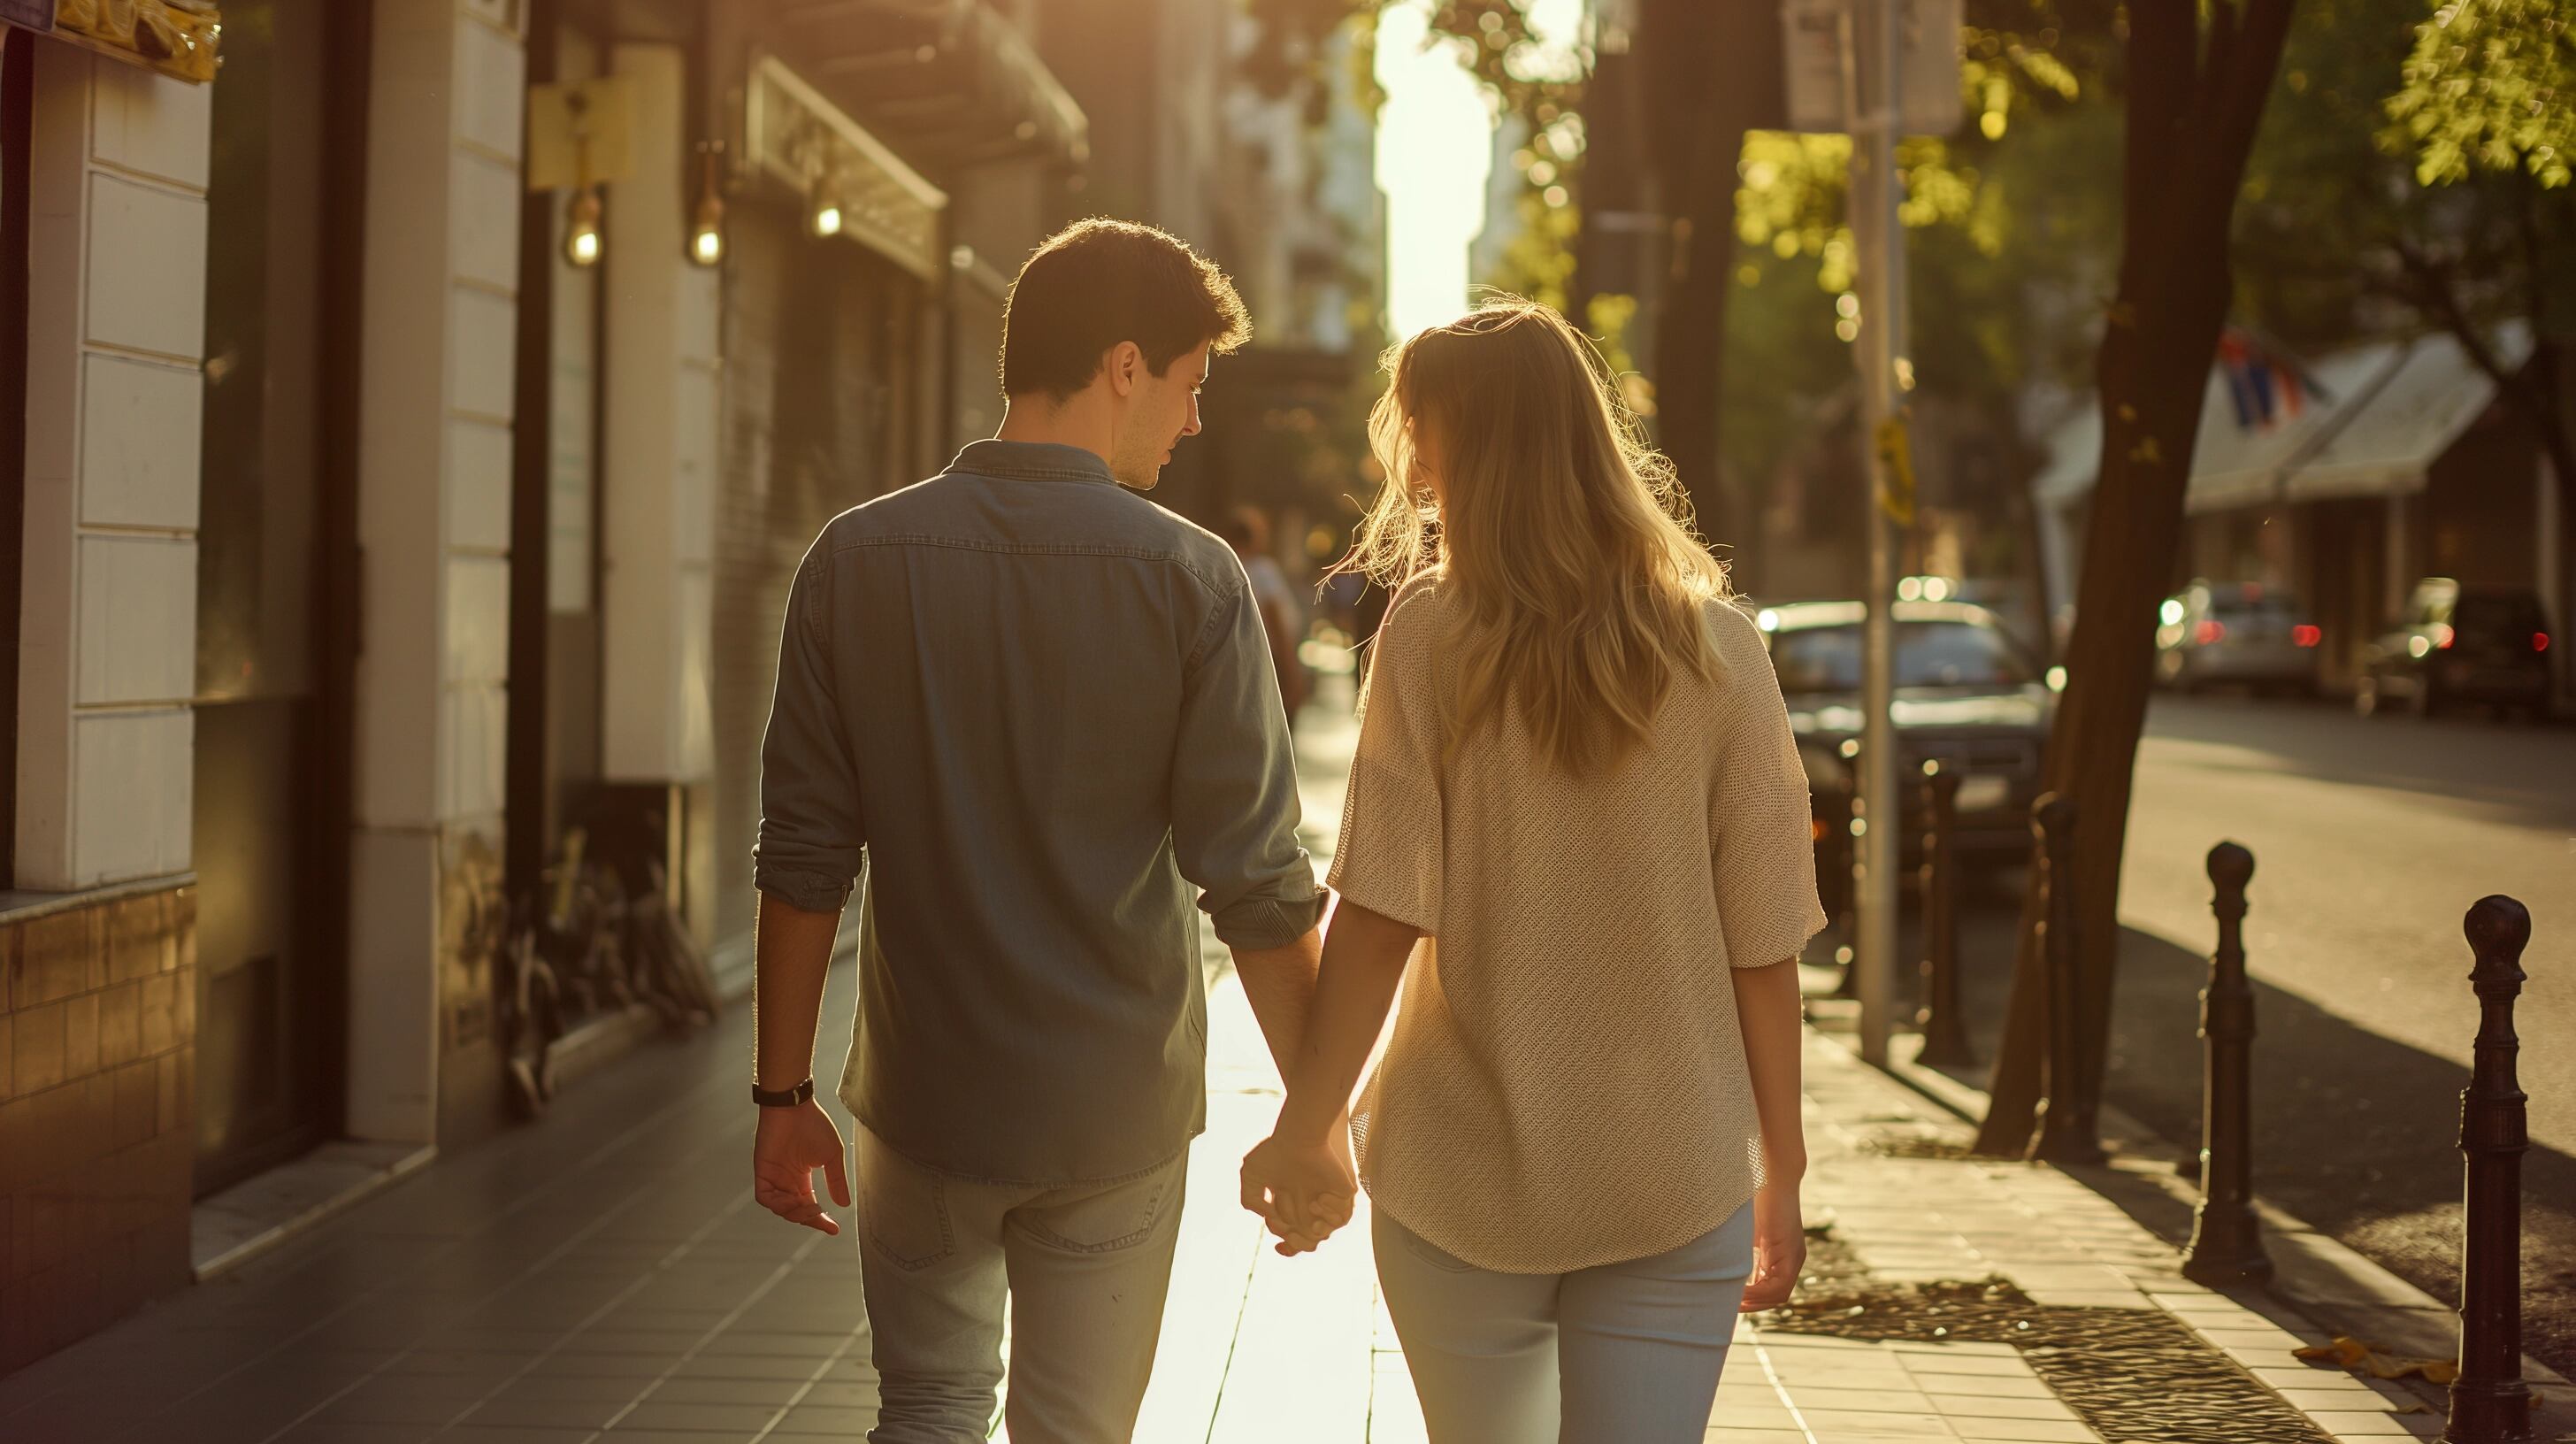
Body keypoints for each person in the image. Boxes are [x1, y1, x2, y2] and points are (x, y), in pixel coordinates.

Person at [748, 218, 1326, 1444]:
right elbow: (1259, 883)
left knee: (930, 1410)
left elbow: (804, 855)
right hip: (1114, 1108)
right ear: (1125, 365)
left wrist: (780, 1091)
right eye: (1189, 385)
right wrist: (1312, 1114)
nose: (1194, 419)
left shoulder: (856, 559)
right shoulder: (1193, 580)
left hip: (925, 1098)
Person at [1239, 297, 1823, 1444]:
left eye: (1416, 423)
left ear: (1460, 436)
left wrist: (1310, 1124)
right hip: (1673, 1173)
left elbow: (1380, 910)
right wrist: (1783, 1171)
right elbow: (1766, 943)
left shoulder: (1427, 635)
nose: (1401, 449)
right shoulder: (1724, 652)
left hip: (1457, 1172)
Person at [1215, 505, 1311, 726]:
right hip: (1269, 663)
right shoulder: (1263, 571)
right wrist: (1293, 675)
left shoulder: (1221, 568)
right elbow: (1277, 626)